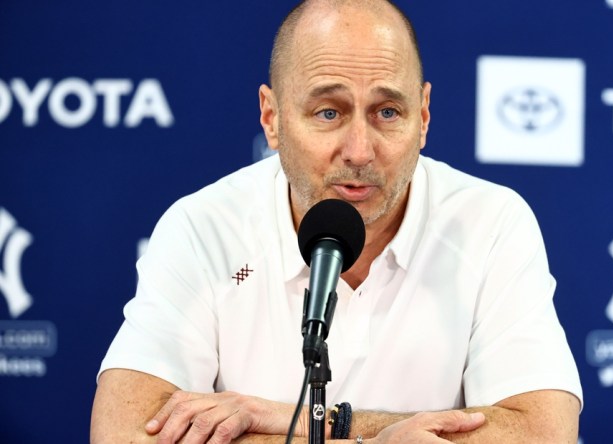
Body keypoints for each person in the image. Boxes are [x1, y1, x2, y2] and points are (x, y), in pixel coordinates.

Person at [90, 0, 583, 442]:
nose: (360, 151)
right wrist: (386, 439)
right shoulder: (203, 227)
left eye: (388, 112)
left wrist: (301, 421)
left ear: (425, 116)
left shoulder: (490, 222)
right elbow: (126, 432)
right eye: (328, 112)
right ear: (272, 118)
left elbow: (541, 431)